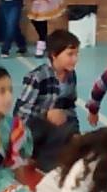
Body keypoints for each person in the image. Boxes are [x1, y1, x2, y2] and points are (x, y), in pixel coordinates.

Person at [14, 29, 81, 172]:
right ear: (54, 55)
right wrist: (46, 114)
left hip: (56, 126)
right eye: (70, 54)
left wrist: (76, 131)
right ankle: (41, 162)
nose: (75, 59)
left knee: (74, 136)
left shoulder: (71, 76)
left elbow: (70, 106)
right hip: (34, 127)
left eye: (76, 54)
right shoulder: (37, 77)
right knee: (57, 133)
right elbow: (20, 112)